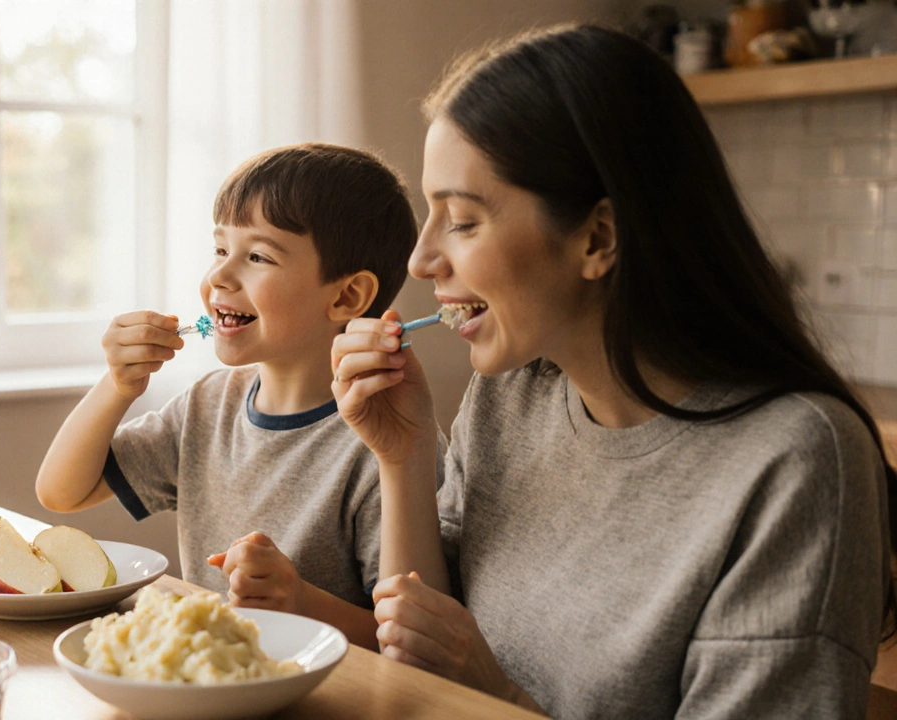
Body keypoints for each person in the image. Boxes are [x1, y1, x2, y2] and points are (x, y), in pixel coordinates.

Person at [330, 24, 895, 719]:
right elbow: (420, 649)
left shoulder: (797, 460)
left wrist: (499, 697)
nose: (421, 261)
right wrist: (405, 455)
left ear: (598, 237)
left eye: (464, 221)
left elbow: (461, 683)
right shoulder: (512, 391)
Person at [36, 143, 420, 649]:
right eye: (220, 250)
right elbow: (62, 492)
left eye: (257, 256)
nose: (219, 275)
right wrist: (117, 386)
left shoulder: (388, 444)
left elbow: (405, 639)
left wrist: (303, 603)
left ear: (346, 297)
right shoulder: (206, 407)